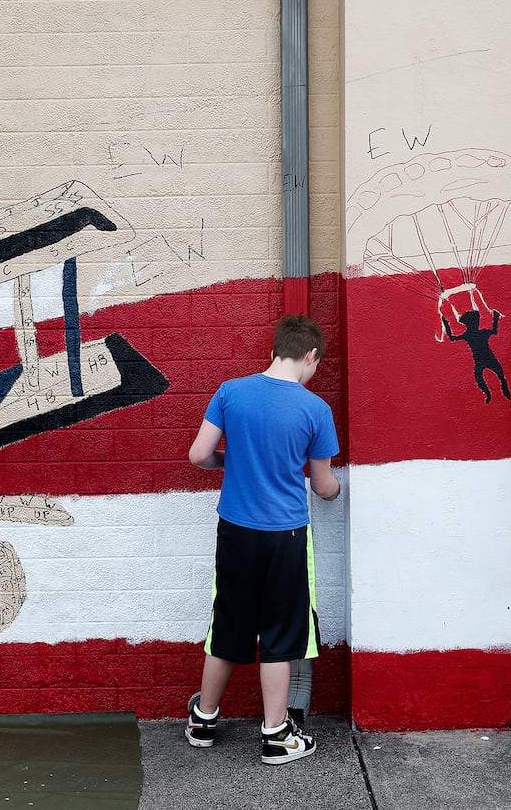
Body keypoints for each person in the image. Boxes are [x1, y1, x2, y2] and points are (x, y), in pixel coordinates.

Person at [185, 314, 342, 765]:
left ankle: (204, 720)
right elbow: (322, 483)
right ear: (310, 355)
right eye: (316, 364)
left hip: (235, 530)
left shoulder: (231, 391)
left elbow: (198, 455)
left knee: (227, 624)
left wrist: (229, 464)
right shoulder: (315, 410)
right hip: (285, 535)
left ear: (275, 349)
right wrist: (338, 492)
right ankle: (275, 735)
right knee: (279, 630)